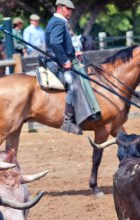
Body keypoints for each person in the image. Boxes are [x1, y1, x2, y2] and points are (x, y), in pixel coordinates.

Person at [45, 0, 100, 135]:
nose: (70, 12)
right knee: (74, 84)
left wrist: (72, 53)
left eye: (71, 10)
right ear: (60, 8)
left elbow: (60, 44)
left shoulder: (59, 21)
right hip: (56, 63)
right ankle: (68, 122)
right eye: (68, 9)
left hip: (59, 60)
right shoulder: (58, 22)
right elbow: (55, 44)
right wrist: (65, 61)